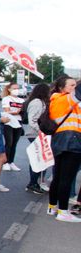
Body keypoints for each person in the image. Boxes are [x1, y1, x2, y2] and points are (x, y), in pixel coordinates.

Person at [47, 77, 81, 221]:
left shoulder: (57, 100)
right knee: (66, 178)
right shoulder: (64, 99)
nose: (74, 87)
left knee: (59, 177)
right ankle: (62, 211)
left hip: (61, 141)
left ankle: (52, 206)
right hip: (71, 142)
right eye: (72, 85)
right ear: (62, 88)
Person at [23, 83, 51, 195]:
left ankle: (35, 182)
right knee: (38, 160)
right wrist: (41, 132)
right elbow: (32, 120)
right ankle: (33, 183)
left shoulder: (40, 102)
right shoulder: (37, 103)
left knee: (41, 160)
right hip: (35, 134)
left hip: (38, 134)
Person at [0, 83, 25, 172]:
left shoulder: (21, 100)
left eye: (18, 88)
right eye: (14, 88)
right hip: (9, 122)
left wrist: (19, 112)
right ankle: (5, 162)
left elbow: (23, 111)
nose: (16, 90)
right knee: (9, 143)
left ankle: (11, 162)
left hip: (18, 122)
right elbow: (7, 111)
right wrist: (16, 112)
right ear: (9, 89)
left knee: (14, 143)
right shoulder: (6, 99)